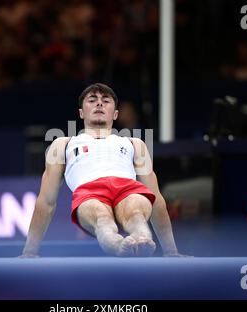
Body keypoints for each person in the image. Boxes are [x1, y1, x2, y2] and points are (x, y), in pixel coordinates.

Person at [22, 83, 185, 257]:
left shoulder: (134, 144)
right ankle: (119, 246)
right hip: (90, 194)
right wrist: (29, 251)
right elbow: (46, 201)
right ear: (81, 113)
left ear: (115, 114)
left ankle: (142, 237)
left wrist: (171, 252)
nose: (99, 103)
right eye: (92, 100)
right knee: (102, 218)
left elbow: (157, 200)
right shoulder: (63, 144)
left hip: (128, 190)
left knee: (136, 212)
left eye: (105, 101)